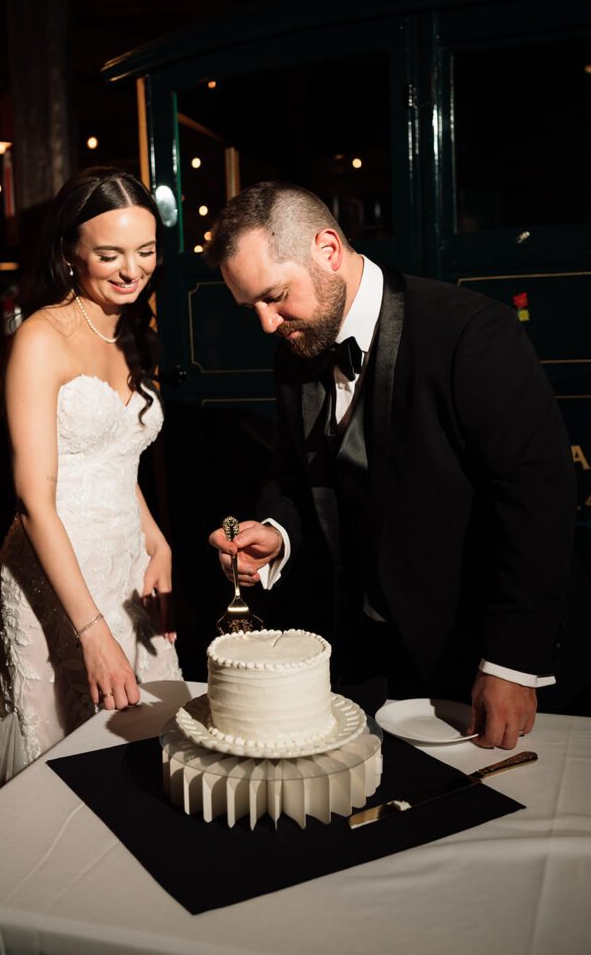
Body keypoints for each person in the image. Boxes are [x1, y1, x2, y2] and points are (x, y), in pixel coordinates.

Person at [207, 181, 579, 750]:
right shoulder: (298, 348)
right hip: (357, 659)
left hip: (467, 655)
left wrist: (509, 664)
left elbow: (537, 503)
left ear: (328, 249)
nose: (266, 323)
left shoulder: (470, 334)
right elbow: (291, 474)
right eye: (251, 306)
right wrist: (276, 533)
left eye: (275, 295)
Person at [0, 167, 182, 802]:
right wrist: (91, 632)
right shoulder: (41, 338)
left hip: (124, 566)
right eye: (110, 255)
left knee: (143, 749)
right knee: (62, 768)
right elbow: (36, 499)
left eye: (145, 252)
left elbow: (117, 456)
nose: (132, 270)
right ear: (70, 252)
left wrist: (158, 542)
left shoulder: (133, 331)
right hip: (53, 573)